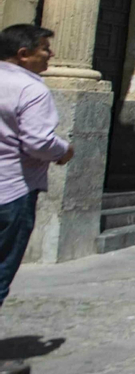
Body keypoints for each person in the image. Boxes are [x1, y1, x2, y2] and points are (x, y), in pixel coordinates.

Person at [0, 25, 74, 307]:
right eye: (44, 48)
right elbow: (38, 143)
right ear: (23, 54)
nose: (50, 54)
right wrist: (64, 150)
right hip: (11, 190)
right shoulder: (31, 88)